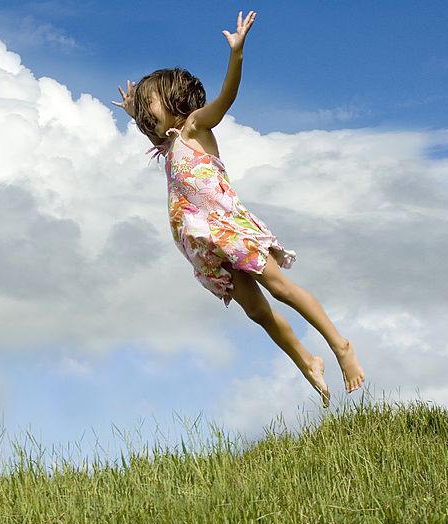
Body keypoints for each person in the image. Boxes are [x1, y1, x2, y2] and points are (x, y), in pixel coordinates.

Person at [113, 10, 364, 407]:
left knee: (281, 288)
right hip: (205, 242)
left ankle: (340, 345)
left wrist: (237, 54)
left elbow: (226, 98)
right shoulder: (169, 143)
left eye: (149, 105)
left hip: (227, 228)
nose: (145, 115)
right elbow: (154, 129)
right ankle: (306, 360)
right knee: (256, 312)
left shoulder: (196, 126)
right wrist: (135, 116)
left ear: (176, 101)